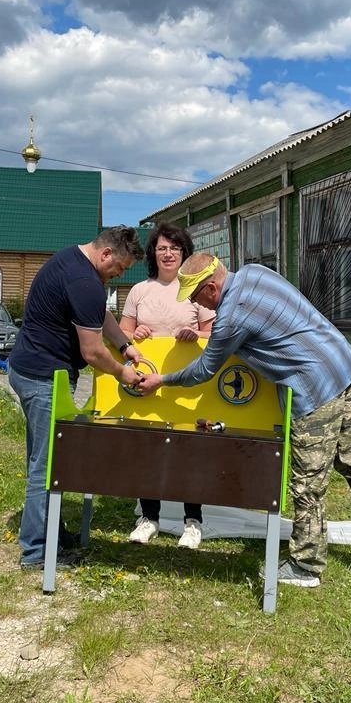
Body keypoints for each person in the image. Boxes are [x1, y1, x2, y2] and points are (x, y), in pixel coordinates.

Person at [137, 254, 351, 588]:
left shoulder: (231, 316)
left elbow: (204, 369)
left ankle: (306, 566)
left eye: (194, 296)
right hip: (343, 368)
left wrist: (161, 380)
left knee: (307, 485)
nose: (194, 303)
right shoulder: (255, 272)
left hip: (314, 390)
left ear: (211, 289)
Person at [8, 225, 146, 569]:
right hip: (44, 378)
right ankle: (37, 551)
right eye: (121, 267)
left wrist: (126, 345)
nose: (119, 274)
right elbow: (92, 352)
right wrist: (122, 371)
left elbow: (99, 314)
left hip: (28, 369)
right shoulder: (85, 282)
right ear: (106, 254)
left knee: (44, 458)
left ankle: (50, 528)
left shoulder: (74, 260)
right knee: (48, 464)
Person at [120, 223, 215, 549]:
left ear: (183, 252)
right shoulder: (139, 291)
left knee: (190, 451)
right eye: (162, 247)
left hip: (189, 385)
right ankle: (148, 518)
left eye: (175, 247)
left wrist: (195, 335)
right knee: (148, 450)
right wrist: (138, 333)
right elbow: (122, 334)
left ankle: (193, 522)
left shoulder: (197, 291)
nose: (169, 253)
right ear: (153, 253)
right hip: (147, 385)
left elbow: (215, 335)